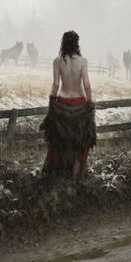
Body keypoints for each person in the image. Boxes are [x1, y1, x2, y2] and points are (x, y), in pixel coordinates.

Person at [40, 31, 96, 182]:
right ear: (77, 43)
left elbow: (56, 85)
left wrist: (52, 100)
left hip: (63, 103)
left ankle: (56, 173)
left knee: (59, 138)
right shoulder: (83, 61)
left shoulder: (57, 61)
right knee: (80, 139)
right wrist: (89, 103)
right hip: (79, 103)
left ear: (63, 43)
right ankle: (76, 174)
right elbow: (87, 85)